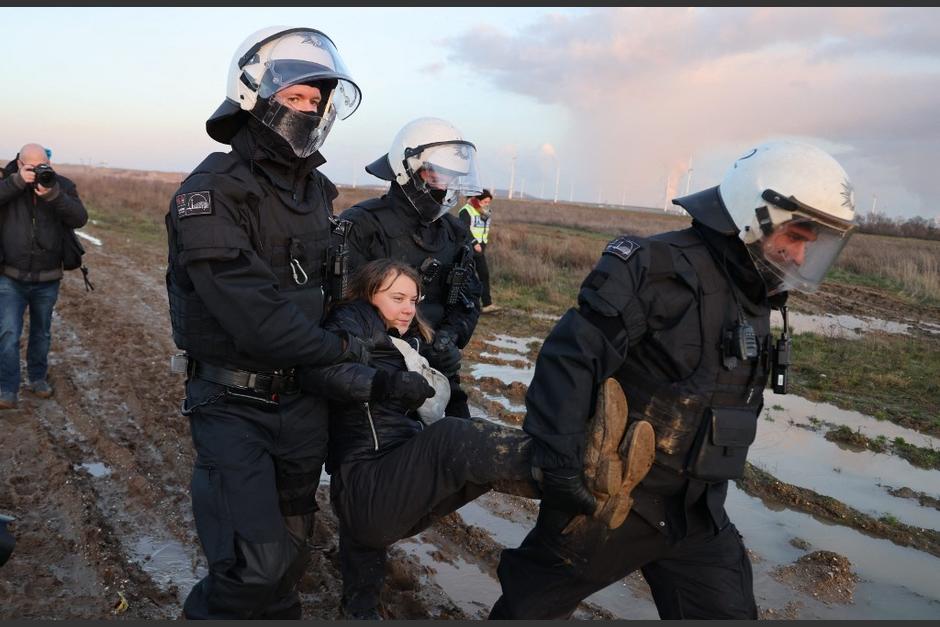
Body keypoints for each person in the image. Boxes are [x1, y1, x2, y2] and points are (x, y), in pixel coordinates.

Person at [488, 140, 858, 619]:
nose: (802, 257)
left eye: (812, 244)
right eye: (797, 238)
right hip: (615, 501)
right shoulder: (655, 266)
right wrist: (559, 465)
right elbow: (569, 360)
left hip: (698, 515)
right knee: (527, 609)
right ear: (757, 216)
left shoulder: (756, 293)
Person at [300, 258, 654, 619]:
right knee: (453, 439)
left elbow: (455, 422)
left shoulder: (410, 347)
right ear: (368, 293)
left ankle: (593, 490)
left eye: (414, 299)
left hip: (386, 498)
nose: (409, 308)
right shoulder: (353, 320)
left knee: (471, 455)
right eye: (397, 298)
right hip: (368, 489)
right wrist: (385, 384)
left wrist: (449, 383)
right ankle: (583, 463)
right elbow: (322, 371)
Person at [164, 26, 374, 619]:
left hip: (303, 406)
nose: (307, 111)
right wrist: (344, 353)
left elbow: (338, 291)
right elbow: (254, 315)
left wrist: (364, 325)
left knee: (288, 568)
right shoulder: (211, 191)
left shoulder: (317, 193)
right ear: (254, 95)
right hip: (234, 405)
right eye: (295, 97)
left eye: (316, 101)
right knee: (250, 569)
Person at [339, 117, 484, 420]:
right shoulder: (363, 224)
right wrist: (398, 349)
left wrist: (449, 339)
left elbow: (469, 300)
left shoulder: (455, 233)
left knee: (457, 451)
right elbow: (342, 306)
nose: (445, 187)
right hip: (378, 376)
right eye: (438, 176)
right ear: (410, 171)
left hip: (436, 372)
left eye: (452, 178)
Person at [0, 144, 88, 409]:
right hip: (10, 276)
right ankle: (7, 388)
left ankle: (37, 378)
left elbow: (80, 218)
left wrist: (53, 195)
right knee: (7, 332)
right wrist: (16, 182)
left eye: (43, 166)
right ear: (19, 163)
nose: (39, 171)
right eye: (32, 167)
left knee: (42, 333)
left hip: (48, 277)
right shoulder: (8, 183)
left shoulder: (61, 185)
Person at [459, 189, 500, 313]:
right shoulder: (466, 211)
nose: (487, 204)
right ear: (478, 200)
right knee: (466, 277)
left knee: (484, 274)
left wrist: (482, 243)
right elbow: (464, 229)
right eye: (485, 201)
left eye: (489, 202)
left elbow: (484, 227)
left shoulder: (485, 212)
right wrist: (474, 242)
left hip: (481, 249)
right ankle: (462, 304)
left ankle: (487, 304)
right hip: (469, 248)